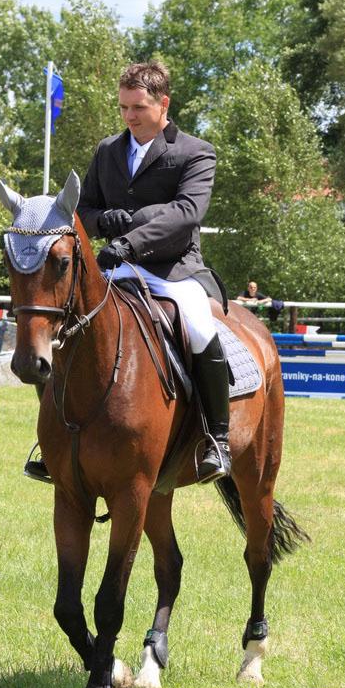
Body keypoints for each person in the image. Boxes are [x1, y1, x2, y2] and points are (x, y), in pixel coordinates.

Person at [79, 60, 232, 482]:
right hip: (117, 268)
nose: (129, 116)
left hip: (173, 269)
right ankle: (59, 434)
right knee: (72, 324)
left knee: (199, 328)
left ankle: (217, 439)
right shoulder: (108, 151)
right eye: (123, 107)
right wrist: (103, 221)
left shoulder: (195, 152)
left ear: (163, 104)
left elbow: (187, 212)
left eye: (138, 108)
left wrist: (129, 239)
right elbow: (83, 209)